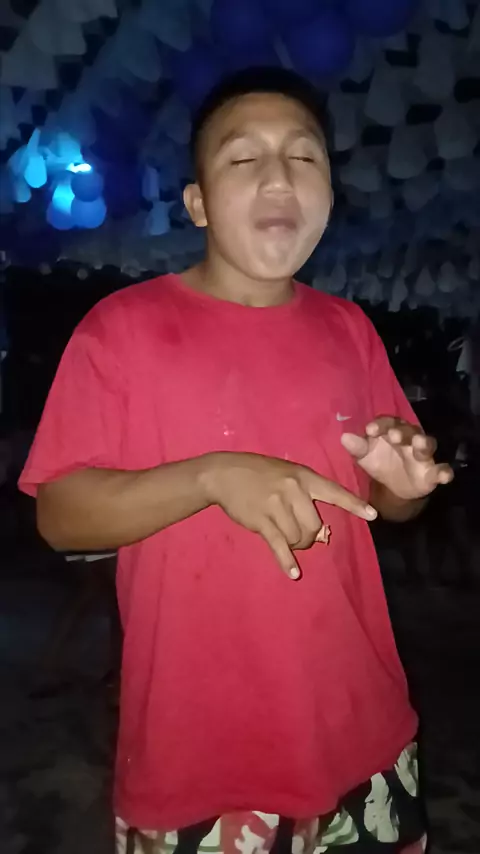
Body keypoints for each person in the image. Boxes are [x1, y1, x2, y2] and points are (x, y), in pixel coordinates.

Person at [19, 68, 453, 854]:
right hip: (200, 759)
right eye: (243, 158)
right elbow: (59, 514)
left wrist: (405, 484)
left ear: (329, 194)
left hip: (366, 737)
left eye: (304, 156)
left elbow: (385, 503)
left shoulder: (350, 329)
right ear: (197, 203)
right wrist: (212, 476)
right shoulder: (122, 329)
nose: (279, 176)